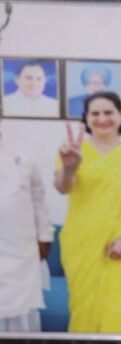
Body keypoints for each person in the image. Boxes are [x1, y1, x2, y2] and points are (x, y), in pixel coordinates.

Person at [53, 92, 121, 333]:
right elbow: (63, 188)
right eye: (95, 113)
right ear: (86, 119)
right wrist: (69, 168)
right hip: (83, 243)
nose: (102, 119)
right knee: (85, 312)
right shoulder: (72, 150)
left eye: (108, 112)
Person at [0, 126, 53, 332]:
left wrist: (45, 236)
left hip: (20, 252)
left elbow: (39, 198)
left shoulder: (21, 151)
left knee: (21, 314)